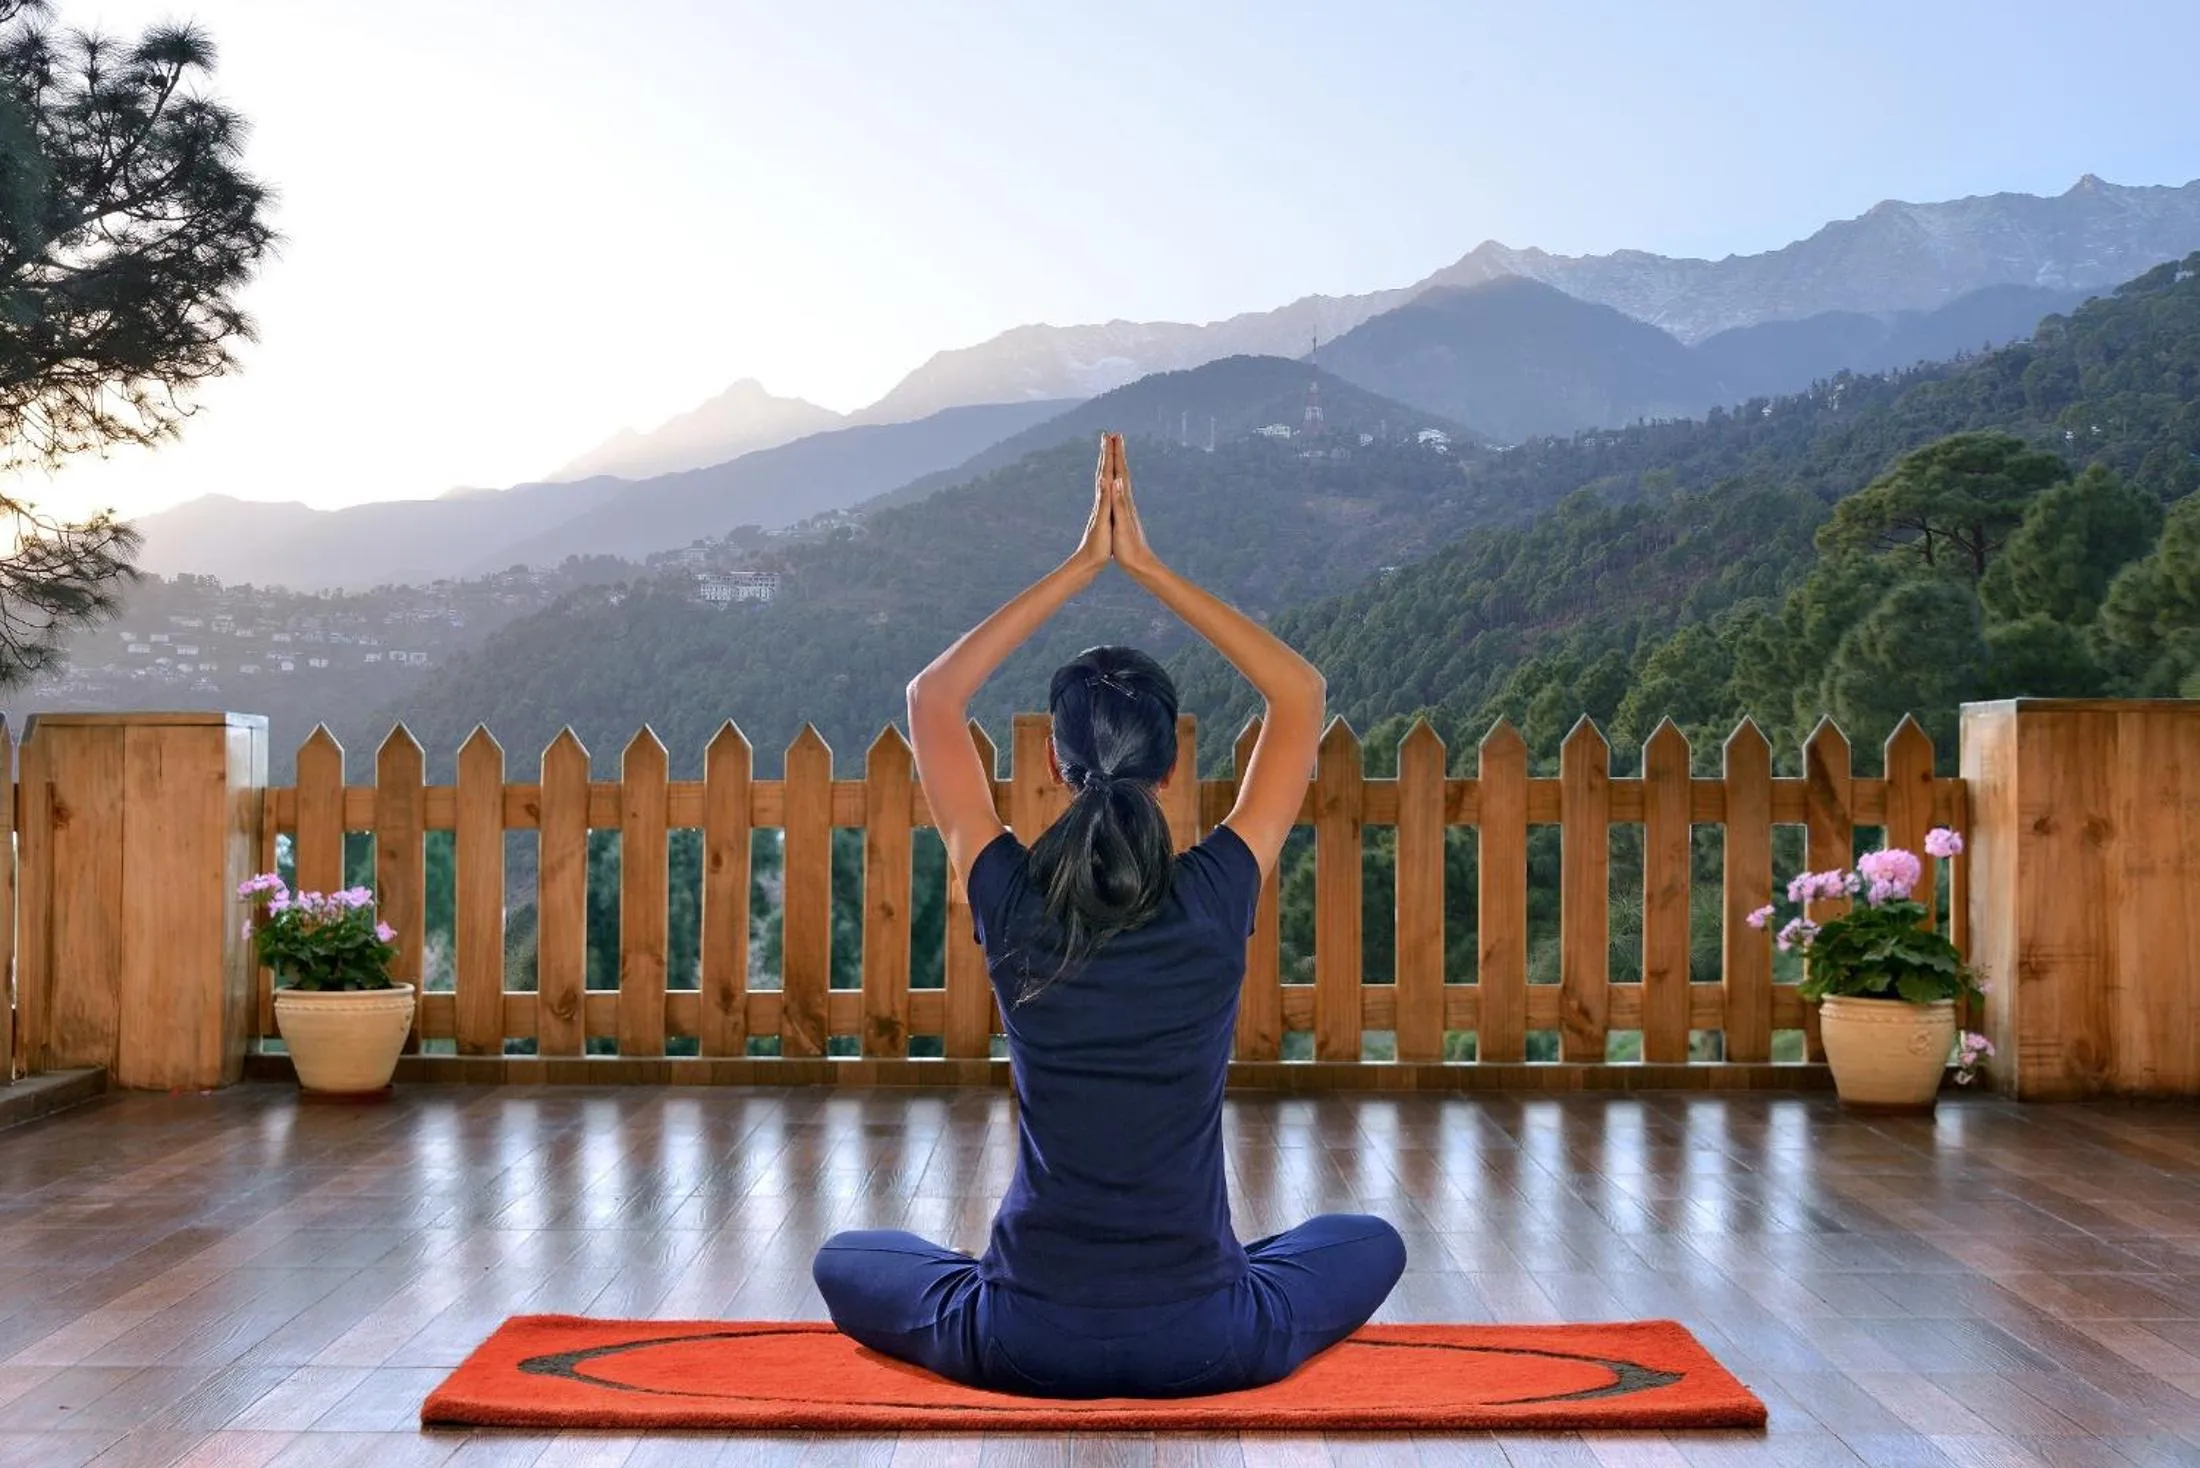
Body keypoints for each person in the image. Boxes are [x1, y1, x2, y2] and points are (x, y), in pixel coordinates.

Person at [811, 433, 1406, 1398]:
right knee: (1367, 1239)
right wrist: (1150, 569)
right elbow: (1300, 694)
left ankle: (1008, 1284)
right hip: (1209, 1338)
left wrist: (1082, 565)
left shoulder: (1010, 896)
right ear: (1174, 766)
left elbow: (932, 698)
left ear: (1052, 762)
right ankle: (1201, 1276)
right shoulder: (1216, 893)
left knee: (848, 1255)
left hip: (1022, 1335)